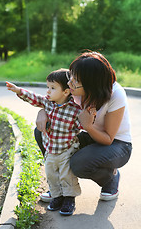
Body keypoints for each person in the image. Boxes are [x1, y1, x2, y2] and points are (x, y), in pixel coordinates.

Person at [35, 51, 132, 205]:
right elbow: (52, 101)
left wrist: (88, 126)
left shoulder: (116, 95)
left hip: (117, 145)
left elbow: (108, 139)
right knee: (43, 132)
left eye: (75, 80)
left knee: (79, 164)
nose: (69, 83)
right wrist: (42, 112)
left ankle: (110, 178)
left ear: (91, 83)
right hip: (90, 136)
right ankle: (58, 188)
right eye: (71, 76)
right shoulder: (74, 88)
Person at [6, 68, 86, 216]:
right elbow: (33, 97)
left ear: (66, 92)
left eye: (53, 88)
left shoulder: (75, 110)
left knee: (66, 176)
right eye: (47, 87)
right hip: (50, 149)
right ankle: (57, 197)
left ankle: (69, 199)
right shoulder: (47, 103)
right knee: (51, 175)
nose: (48, 91)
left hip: (67, 150)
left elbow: (84, 125)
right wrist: (18, 90)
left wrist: (91, 117)